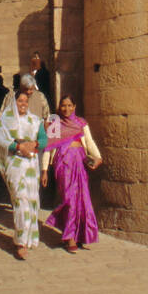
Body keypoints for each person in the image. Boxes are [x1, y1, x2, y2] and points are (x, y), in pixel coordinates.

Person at [41, 94, 102, 253]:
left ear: (74, 107)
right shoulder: (55, 125)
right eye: (63, 106)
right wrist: (44, 170)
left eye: (69, 105)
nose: (66, 109)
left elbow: (89, 142)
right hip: (63, 165)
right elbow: (48, 148)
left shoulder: (81, 123)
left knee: (82, 199)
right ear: (59, 108)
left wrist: (98, 158)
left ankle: (82, 235)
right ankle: (70, 238)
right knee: (69, 199)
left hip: (79, 163)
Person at [0, 89, 48, 260]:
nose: (23, 104)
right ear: (14, 102)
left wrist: (33, 144)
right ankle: (20, 242)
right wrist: (18, 147)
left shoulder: (35, 120)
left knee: (32, 202)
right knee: (20, 200)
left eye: (26, 101)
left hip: (31, 167)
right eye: (20, 101)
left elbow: (43, 139)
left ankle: (28, 238)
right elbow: (1, 139)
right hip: (15, 166)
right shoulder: (5, 120)